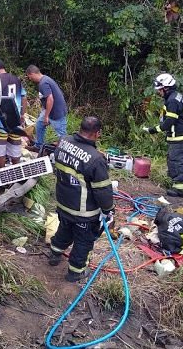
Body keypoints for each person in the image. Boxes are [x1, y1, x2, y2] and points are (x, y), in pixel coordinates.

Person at [48, 117, 115, 282]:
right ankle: (75, 272)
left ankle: (55, 253)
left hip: (63, 203)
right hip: (83, 211)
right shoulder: (96, 160)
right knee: (83, 241)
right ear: (97, 133)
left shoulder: (63, 142)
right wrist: (109, 210)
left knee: (64, 229)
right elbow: (103, 191)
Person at [142, 73, 183, 198]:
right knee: (172, 160)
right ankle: (175, 184)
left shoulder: (172, 101)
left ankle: (180, 189)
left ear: (166, 87)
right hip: (178, 136)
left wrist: (153, 130)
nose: (159, 92)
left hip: (180, 137)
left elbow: (169, 122)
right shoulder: (174, 97)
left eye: (160, 90)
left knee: (177, 161)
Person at [25, 65, 68, 151]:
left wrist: (46, 116)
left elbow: (50, 99)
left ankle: (64, 152)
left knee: (62, 136)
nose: (30, 79)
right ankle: (38, 146)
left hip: (56, 112)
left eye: (30, 77)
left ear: (32, 74)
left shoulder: (43, 83)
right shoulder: (45, 79)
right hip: (49, 110)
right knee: (39, 125)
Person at [0, 64, 28, 167]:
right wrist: (22, 114)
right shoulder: (16, 79)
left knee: (0, 149)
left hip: (1, 121)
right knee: (15, 148)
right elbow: (24, 97)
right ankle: (16, 172)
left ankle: (2, 172)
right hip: (15, 119)